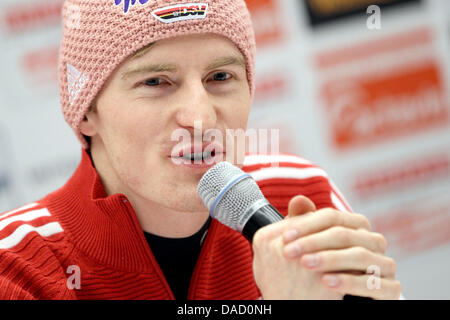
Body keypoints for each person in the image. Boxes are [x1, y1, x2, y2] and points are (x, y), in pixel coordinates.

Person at [0, 0, 401, 300]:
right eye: (156, 82)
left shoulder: (302, 194)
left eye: (220, 76)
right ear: (86, 110)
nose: (200, 118)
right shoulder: (17, 265)